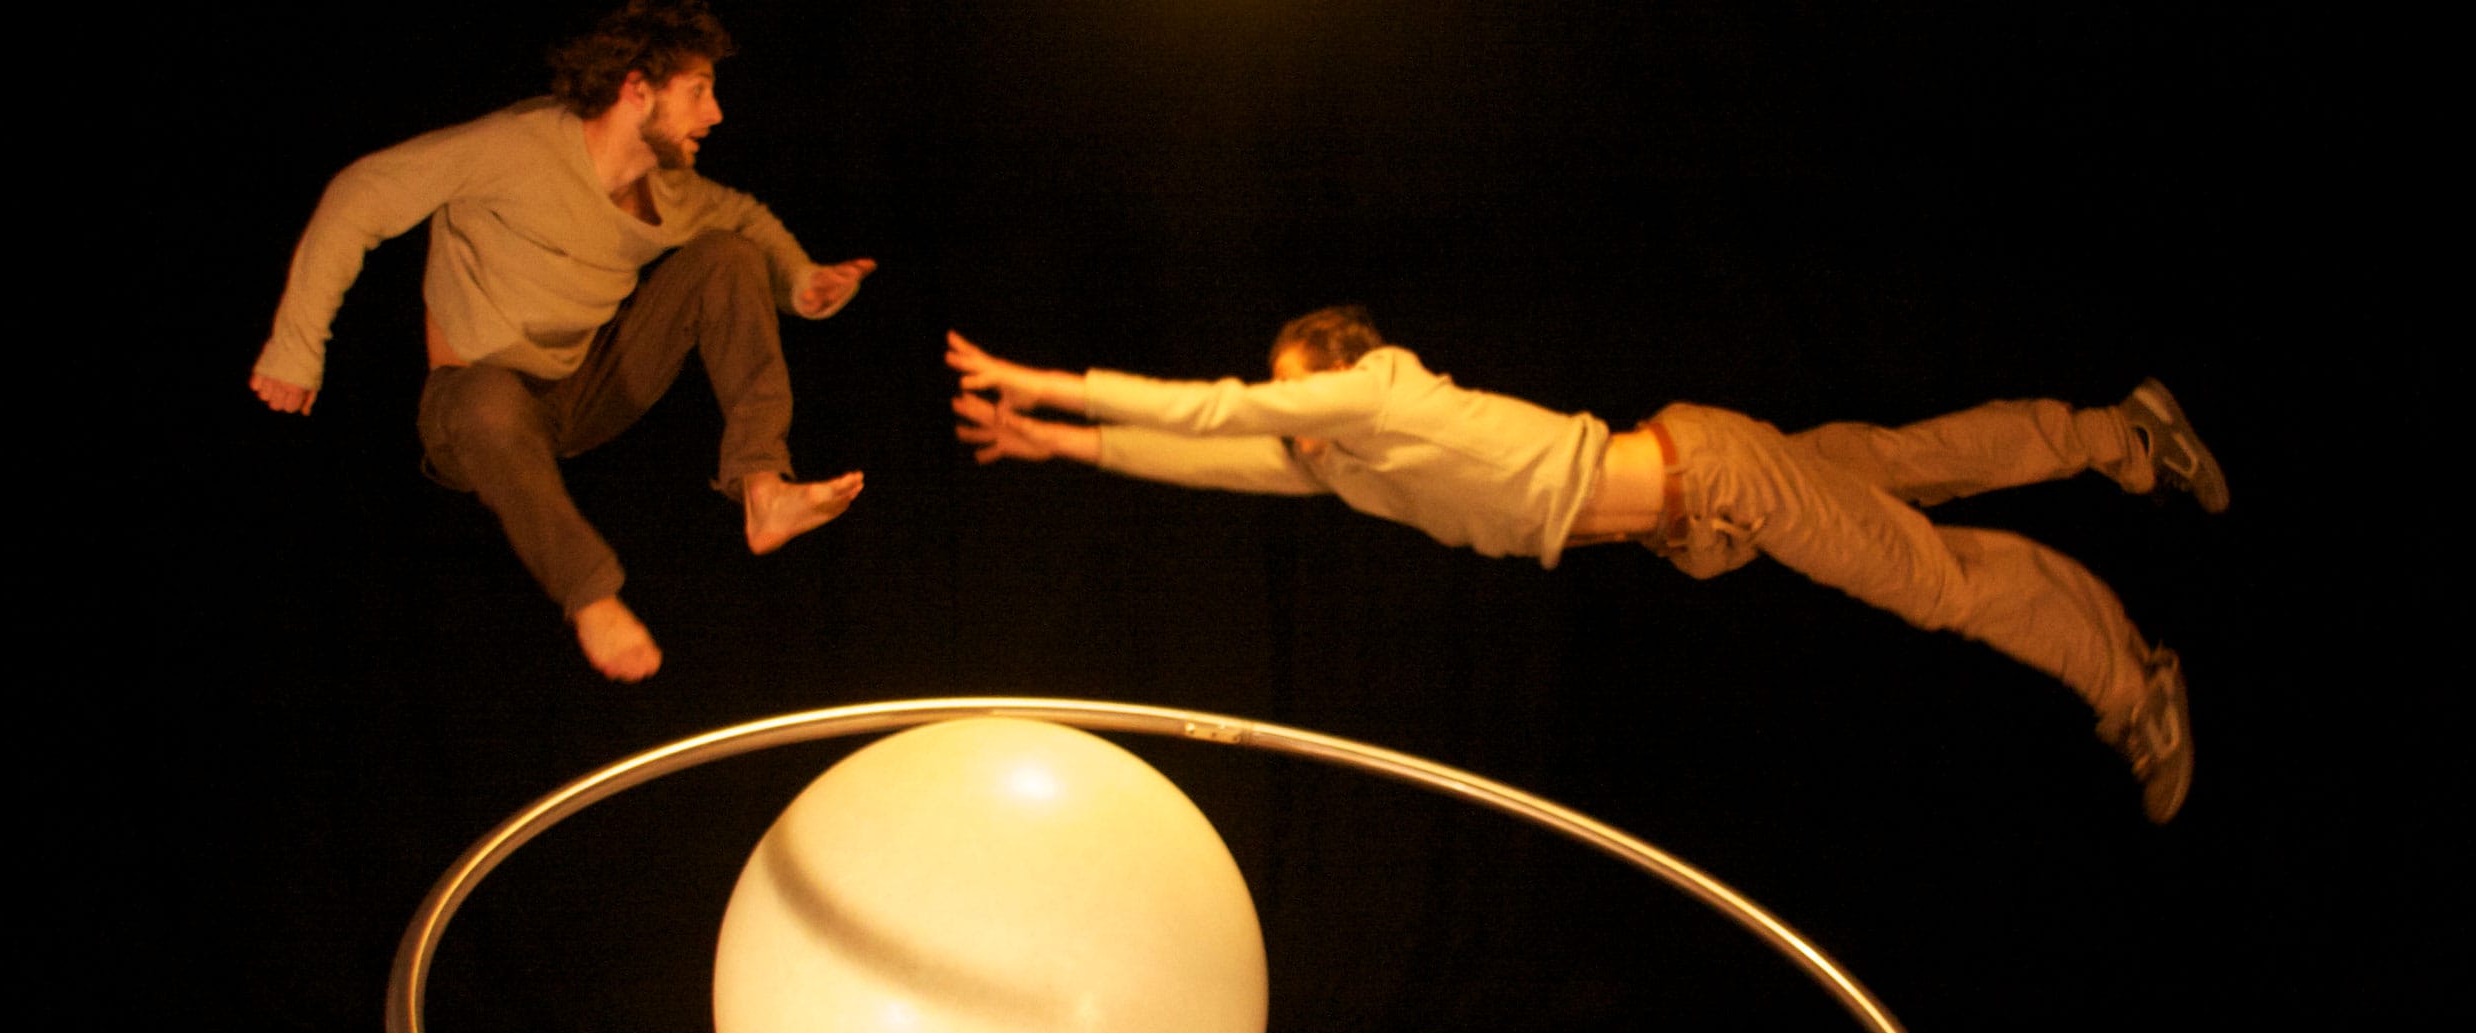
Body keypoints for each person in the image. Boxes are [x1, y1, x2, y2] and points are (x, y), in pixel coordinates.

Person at [945, 307, 2230, 823]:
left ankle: (2132, 686)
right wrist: (1056, 444)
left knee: (1938, 581)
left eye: (1304, 396)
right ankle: (2126, 434)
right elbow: (1212, 456)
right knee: (1905, 464)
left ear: (1342, 365)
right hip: (1704, 501)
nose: (1294, 421)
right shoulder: (1341, 460)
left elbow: (1217, 409)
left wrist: (1034, 376)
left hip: (1712, 478)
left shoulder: (1380, 396)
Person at [249, 0, 874, 682]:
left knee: (727, 255)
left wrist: (802, 280)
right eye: (698, 92)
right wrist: (297, 347)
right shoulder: (516, 145)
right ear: (638, 89)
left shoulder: (672, 191)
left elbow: (747, 219)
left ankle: (762, 488)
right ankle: (594, 599)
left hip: (584, 391)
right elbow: (360, 194)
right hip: (473, 406)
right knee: (486, 397)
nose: (715, 114)